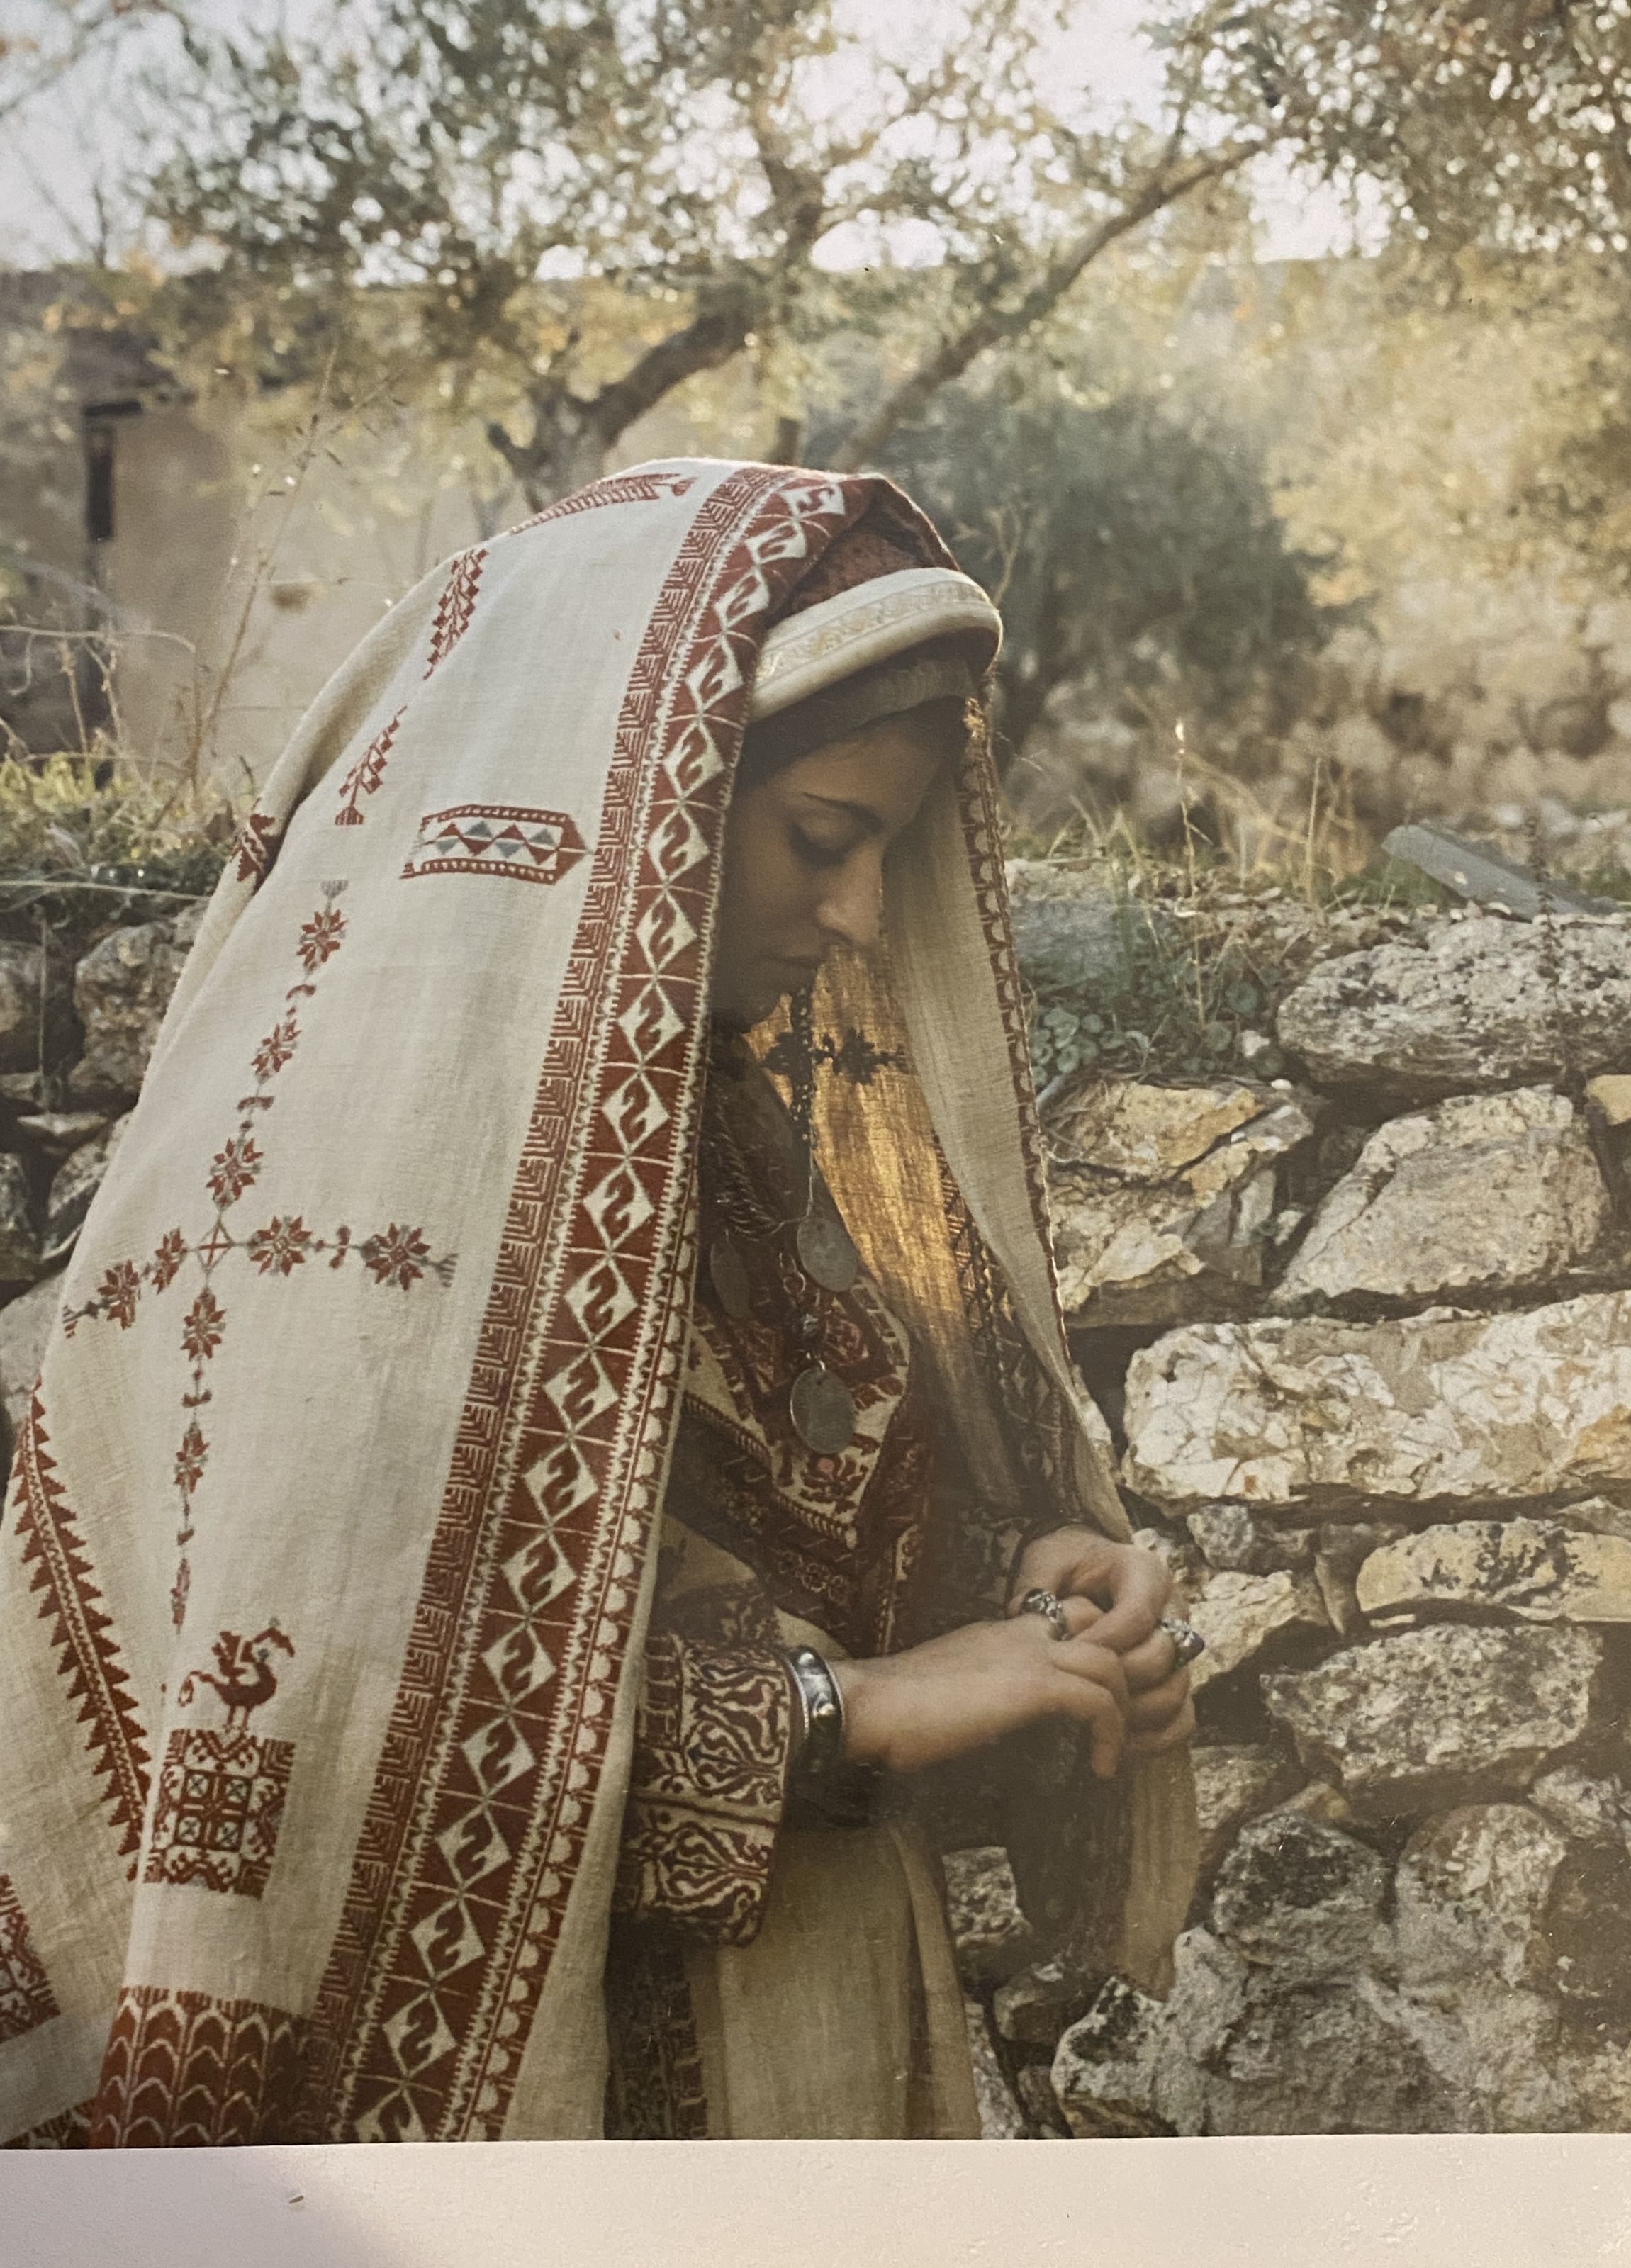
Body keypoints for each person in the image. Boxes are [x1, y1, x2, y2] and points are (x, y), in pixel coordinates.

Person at [0, 460, 1196, 2148]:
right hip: (545, 2150)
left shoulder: (724, 1133)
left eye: (888, 852)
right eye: (823, 839)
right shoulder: (327, 1191)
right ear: (657, 802)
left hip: (820, 2078)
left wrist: (1029, 1596)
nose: (859, 913)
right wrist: (859, 1706)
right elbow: (327, 1757)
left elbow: (779, 1538)